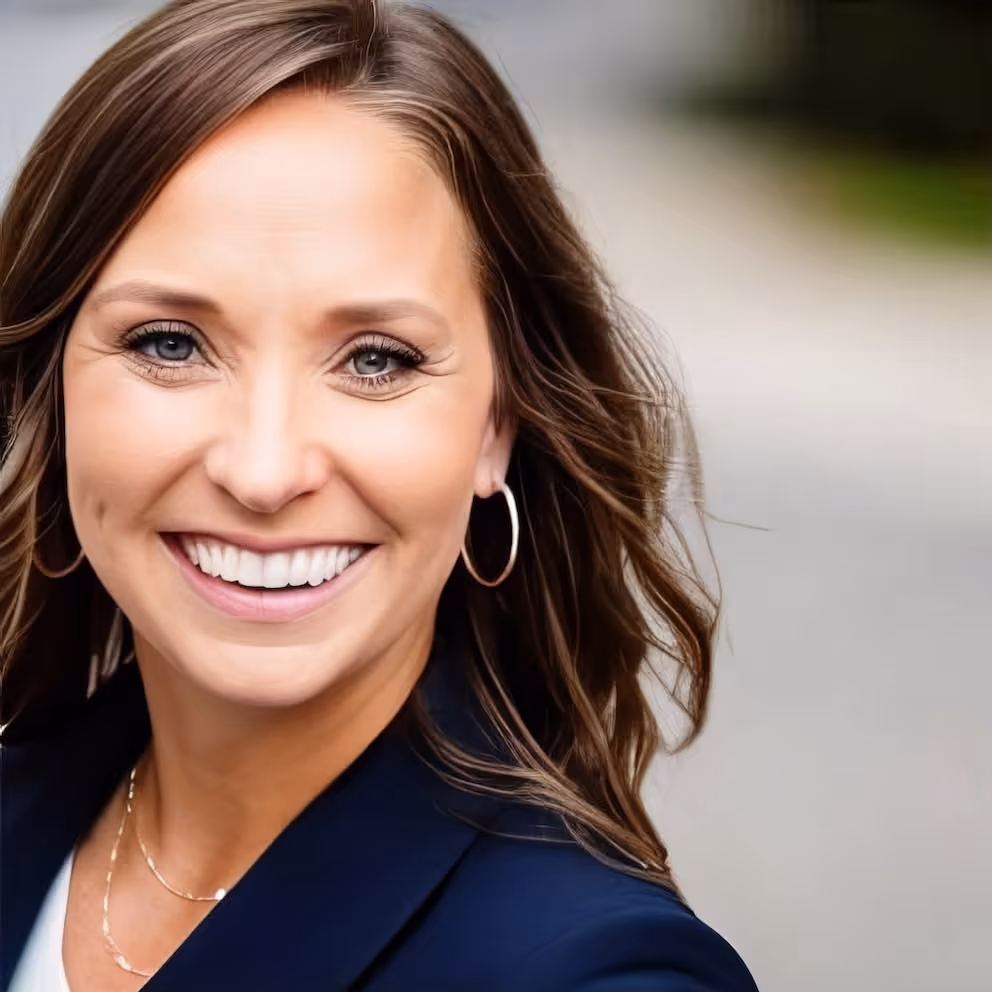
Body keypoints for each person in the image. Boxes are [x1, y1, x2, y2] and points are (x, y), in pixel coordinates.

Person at [0, 1, 758, 989]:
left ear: (498, 424)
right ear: (48, 394)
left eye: (375, 359)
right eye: (170, 343)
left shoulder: (597, 973)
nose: (264, 471)